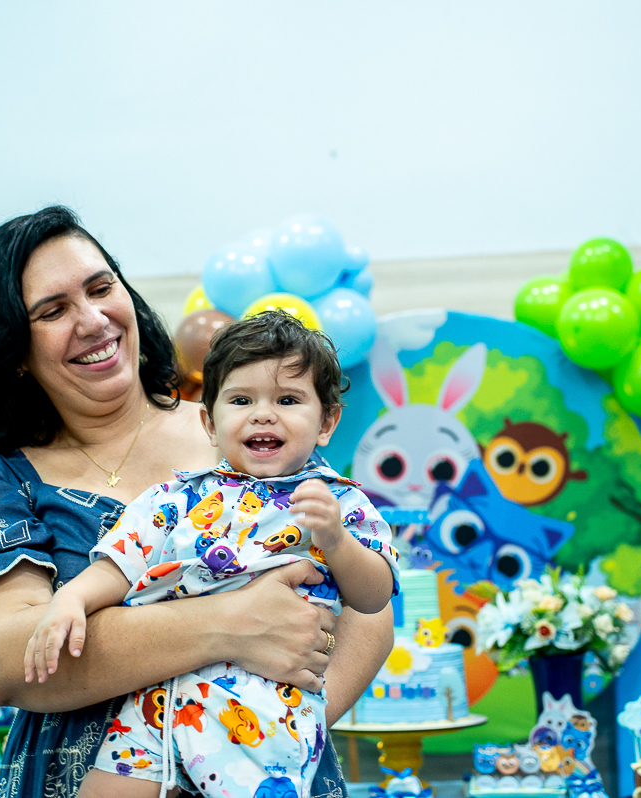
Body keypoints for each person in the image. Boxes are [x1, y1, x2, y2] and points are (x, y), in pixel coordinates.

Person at [0, 206, 395, 798]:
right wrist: (228, 625)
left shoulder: (246, 427)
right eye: (53, 310)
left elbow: (365, 600)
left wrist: (245, 740)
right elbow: (1, 656)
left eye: (102, 288)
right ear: (13, 349)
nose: (94, 319)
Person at [24, 311, 400, 798]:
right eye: (241, 400)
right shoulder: (176, 497)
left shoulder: (338, 503)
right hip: (160, 697)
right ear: (209, 420)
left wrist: (336, 541)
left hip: (265, 713)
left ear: (327, 421)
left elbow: (373, 597)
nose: (263, 414)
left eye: (288, 400)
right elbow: (121, 561)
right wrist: (70, 601)